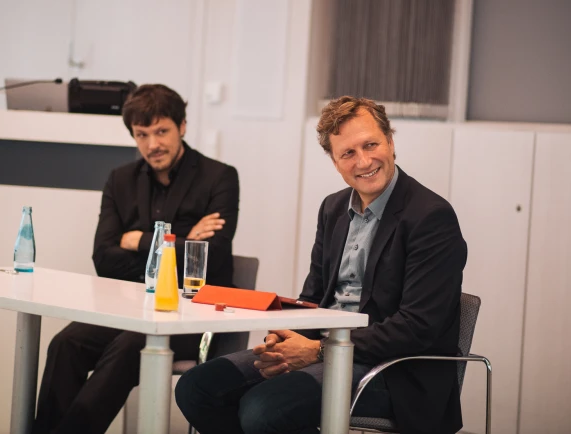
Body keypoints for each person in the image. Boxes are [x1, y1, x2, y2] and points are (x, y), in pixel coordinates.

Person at [175, 96, 467, 434]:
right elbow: (313, 296)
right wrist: (285, 342)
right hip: (325, 351)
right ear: (334, 162)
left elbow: (416, 327)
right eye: (348, 153)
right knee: (197, 388)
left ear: (390, 141)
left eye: (371, 144)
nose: (364, 161)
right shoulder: (332, 208)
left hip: (393, 372)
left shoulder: (430, 217)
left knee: (264, 409)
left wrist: (317, 351)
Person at [33, 84, 240, 434]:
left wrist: (137, 240)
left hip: (192, 314)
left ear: (183, 126)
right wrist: (185, 238)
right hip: (130, 307)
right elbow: (103, 257)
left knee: (134, 343)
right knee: (65, 343)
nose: (152, 144)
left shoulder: (219, 176)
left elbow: (211, 259)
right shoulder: (121, 180)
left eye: (162, 131)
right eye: (142, 135)